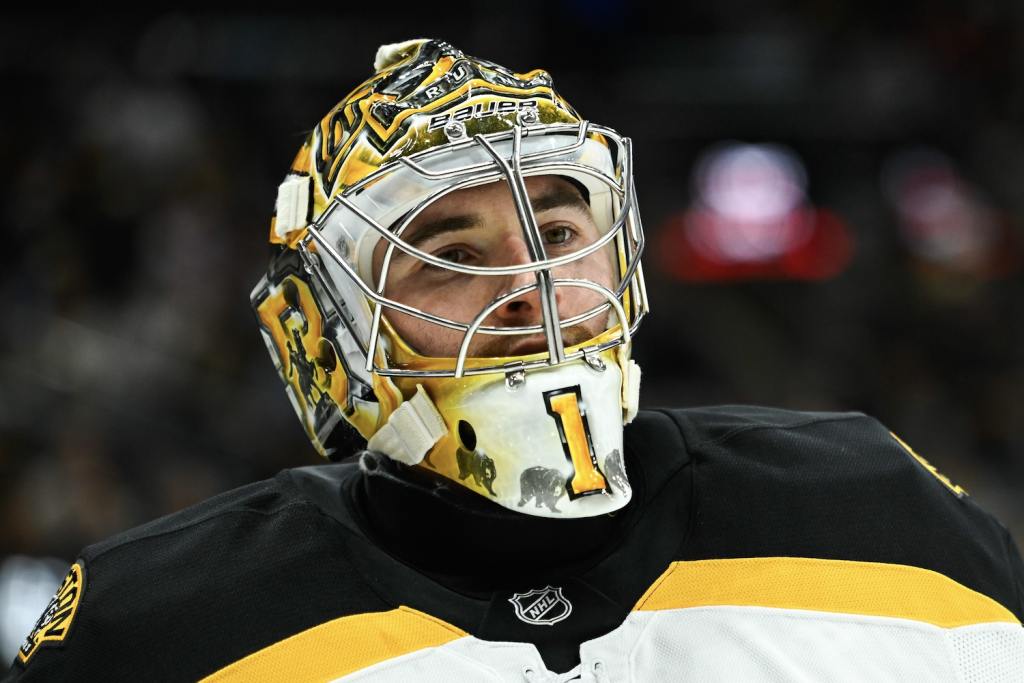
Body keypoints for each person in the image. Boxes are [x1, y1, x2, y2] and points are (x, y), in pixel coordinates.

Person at [6, 38, 1023, 682]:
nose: (532, 283)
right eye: (449, 254)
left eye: (559, 227)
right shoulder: (157, 630)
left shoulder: (880, 511)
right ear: (327, 332)